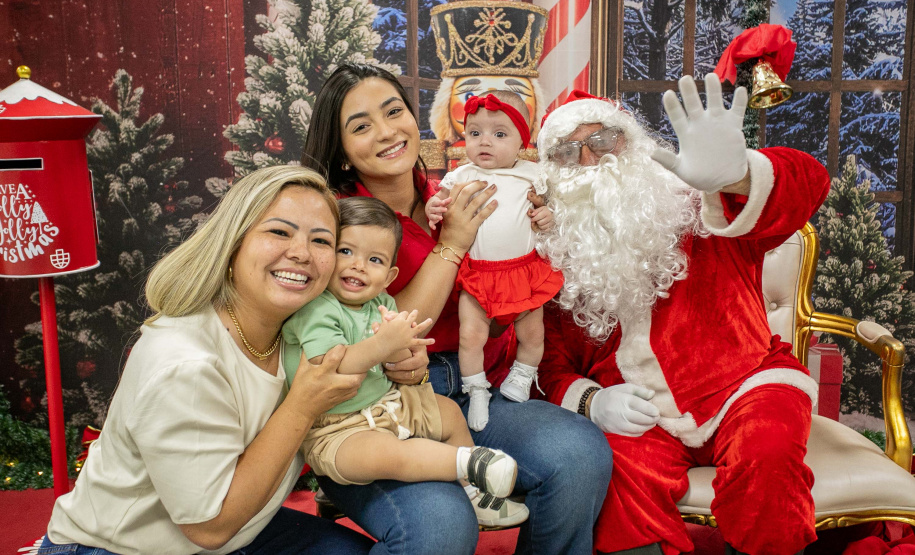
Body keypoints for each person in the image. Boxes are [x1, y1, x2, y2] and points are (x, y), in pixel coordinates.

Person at [301, 62, 612, 554]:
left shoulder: (460, 188)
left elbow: (517, 272)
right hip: (379, 410)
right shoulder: (336, 222)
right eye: (361, 126)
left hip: (476, 387)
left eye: (393, 111)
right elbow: (389, 334)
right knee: (442, 523)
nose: (386, 132)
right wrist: (454, 244)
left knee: (579, 454)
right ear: (340, 149)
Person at [536, 75, 830, 555]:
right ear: (552, 171)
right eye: (568, 153)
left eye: (602, 140)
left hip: (746, 386)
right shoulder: (549, 252)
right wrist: (590, 401)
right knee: (613, 475)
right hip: (638, 413)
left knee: (768, 452)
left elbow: (809, 183)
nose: (590, 159)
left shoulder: (697, 205)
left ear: (630, 143)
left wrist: (735, 176)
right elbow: (546, 362)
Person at [39, 166, 378, 555]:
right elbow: (210, 528)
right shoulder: (184, 363)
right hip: (127, 547)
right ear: (234, 244)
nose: (301, 253)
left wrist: (406, 364)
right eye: (279, 232)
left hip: (245, 529)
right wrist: (302, 405)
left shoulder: (302, 332)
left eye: (321, 241)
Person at [282, 196, 529, 527]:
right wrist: (384, 343)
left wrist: (406, 353)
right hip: (337, 428)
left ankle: (474, 496)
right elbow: (332, 366)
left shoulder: (380, 301)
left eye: (374, 259)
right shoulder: (317, 309)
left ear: (388, 276)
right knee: (388, 454)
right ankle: (470, 463)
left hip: (390, 403)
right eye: (345, 251)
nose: (358, 265)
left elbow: (397, 361)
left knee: (449, 412)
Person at [424, 91, 562, 431]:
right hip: (478, 274)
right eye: (475, 133)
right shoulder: (460, 176)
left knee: (532, 334)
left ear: (521, 143)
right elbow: (439, 201)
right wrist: (433, 208)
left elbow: (548, 207)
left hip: (524, 270)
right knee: (471, 336)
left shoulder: (533, 174)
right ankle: (476, 388)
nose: (485, 142)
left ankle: (522, 374)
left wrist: (546, 214)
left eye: (500, 134)